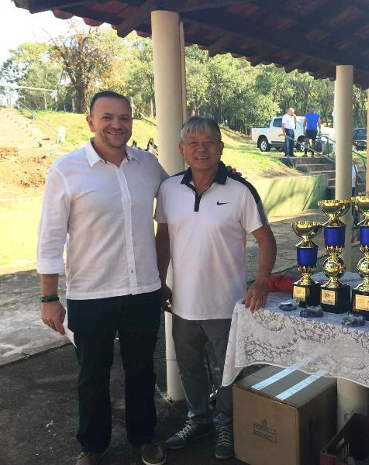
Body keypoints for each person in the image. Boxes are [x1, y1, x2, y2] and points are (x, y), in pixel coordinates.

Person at [37, 91, 167, 465]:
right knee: (92, 375)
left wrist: (220, 176)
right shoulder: (66, 170)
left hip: (143, 289)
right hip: (91, 293)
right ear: (90, 121)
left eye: (124, 117)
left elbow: (178, 194)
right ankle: (93, 447)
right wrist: (49, 297)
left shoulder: (147, 165)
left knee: (142, 370)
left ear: (131, 122)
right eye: (107, 117)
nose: (116, 125)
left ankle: (144, 437)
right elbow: (50, 236)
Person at [155, 116, 277, 461]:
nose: (201, 149)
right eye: (193, 143)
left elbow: (266, 241)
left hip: (227, 304)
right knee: (189, 366)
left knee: (228, 369)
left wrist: (261, 281)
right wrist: (160, 282)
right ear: (182, 149)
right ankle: (199, 418)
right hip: (182, 304)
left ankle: (226, 423)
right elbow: (163, 239)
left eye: (209, 142)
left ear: (221, 147)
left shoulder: (240, 191)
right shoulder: (169, 190)